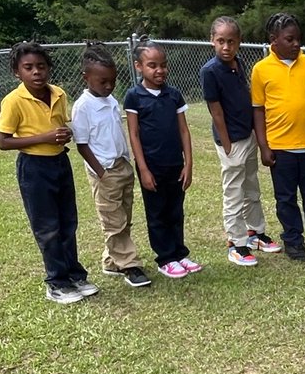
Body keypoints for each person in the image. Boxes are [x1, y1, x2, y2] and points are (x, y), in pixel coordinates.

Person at [0, 41, 98, 304]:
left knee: (68, 222)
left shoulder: (59, 94)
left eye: (41, 66)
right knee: (48, 227)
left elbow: (59, 129)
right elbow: (3, 141)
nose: (36, 72)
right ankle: (56, 282)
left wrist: (63, 135)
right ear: (17, 72)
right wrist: (44, 137)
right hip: (34, 168)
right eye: (28, 68)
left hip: (59, 164)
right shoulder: (13, 101)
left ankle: (75, 274)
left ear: (49, 69)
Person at [200, 15, 280, 268]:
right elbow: (216, 110)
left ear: (239, 43)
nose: (226, 47)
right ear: (212, 41)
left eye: (231, 42)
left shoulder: (239, 63)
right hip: (231, 141)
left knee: (251, 187)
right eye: (221, 41)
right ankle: (236, 244)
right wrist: (227, 143)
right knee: (233, 193)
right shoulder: (210, 71)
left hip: (248, 135)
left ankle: (254, 233)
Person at [70, 42, 151, 288]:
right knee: (112, 220)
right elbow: (82, 144)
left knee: (123, 217)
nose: (108, 86)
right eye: (102, 81)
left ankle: (111, 260)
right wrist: (101, 171)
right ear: (87, 78)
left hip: (121, 166)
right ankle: (130, 265)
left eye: (112, 81)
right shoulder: (82, 107)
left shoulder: (111, 100)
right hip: (103, 170)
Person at [252, 12, 305, 262]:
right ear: (274, 40)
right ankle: (294, 241)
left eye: (298, 39)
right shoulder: (261, 70)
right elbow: (258, 110)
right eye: (290, 39)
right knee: (285, 198)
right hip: (280, 149)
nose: (297, 44)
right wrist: (264, 146)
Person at [125, 39, 202, 279]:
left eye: (163, 65)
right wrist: (143, 169)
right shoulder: (134, 97)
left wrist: (188, 164)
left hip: (174, 165)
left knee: (175, 211)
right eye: (152, 65)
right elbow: (134, 134)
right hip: (152, 166)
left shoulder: (174, 95)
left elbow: (183, 131)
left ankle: (179, 253)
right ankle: (165, 258)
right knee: (157, 213)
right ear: (139, 67)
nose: (159, 70)